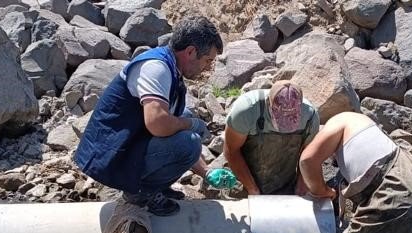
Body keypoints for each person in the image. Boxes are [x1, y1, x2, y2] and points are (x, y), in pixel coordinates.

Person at [74, 16, 223, 216]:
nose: (207, 68)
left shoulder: (171, 68)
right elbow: (158, 124)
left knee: (182, 117)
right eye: (207, 60)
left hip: (125, 146)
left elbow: (166, 126)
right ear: (190, 52)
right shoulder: (157, 68)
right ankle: (141, 193)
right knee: (189, 140)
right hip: (109, 157)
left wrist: (206, 172)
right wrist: (191, 124)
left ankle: (154, 186)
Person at [223, 81, 320, 195]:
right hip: (244, 175)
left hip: (284, 180)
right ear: (269, 104)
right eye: (280, 119)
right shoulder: (245, 112)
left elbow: (308, 157)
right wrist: (252, 189)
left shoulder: (310, 117)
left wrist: (301, 189)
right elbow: (231, 150)